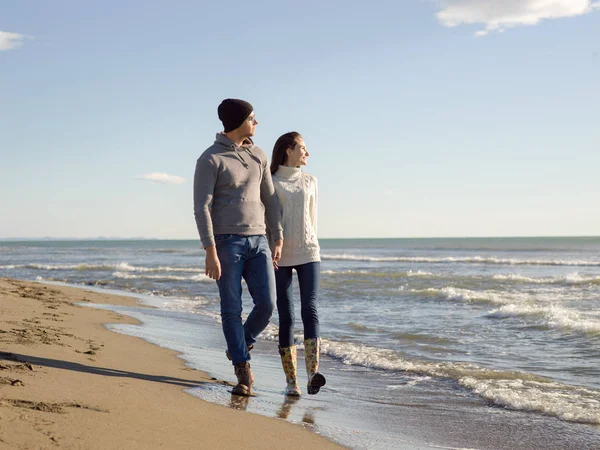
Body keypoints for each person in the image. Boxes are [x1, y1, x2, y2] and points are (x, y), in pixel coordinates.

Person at [194, 99, 283, 396]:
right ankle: (243, 372)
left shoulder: (258, 155)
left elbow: (270, 199)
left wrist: (277, 236)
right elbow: (202, 208)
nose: (257, 123)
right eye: (253, 118)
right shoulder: (210, 159)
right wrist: (210, 250)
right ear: (238, 121)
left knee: (268, 304)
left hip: (259, 241)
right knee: (231, 308)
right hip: (225, 243)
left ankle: (238, 345)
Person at [270, 132, 326, 396]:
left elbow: (312, 219)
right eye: (302, 148)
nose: (307, 153)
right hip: (280, 255)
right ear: (288, 150)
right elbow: (270, 220)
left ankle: (313, 374)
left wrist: (312, 242)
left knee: (310, 309)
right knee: (287, 316)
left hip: (309, 252)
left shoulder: (311, 181)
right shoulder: (271, 182)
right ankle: (291, 382)